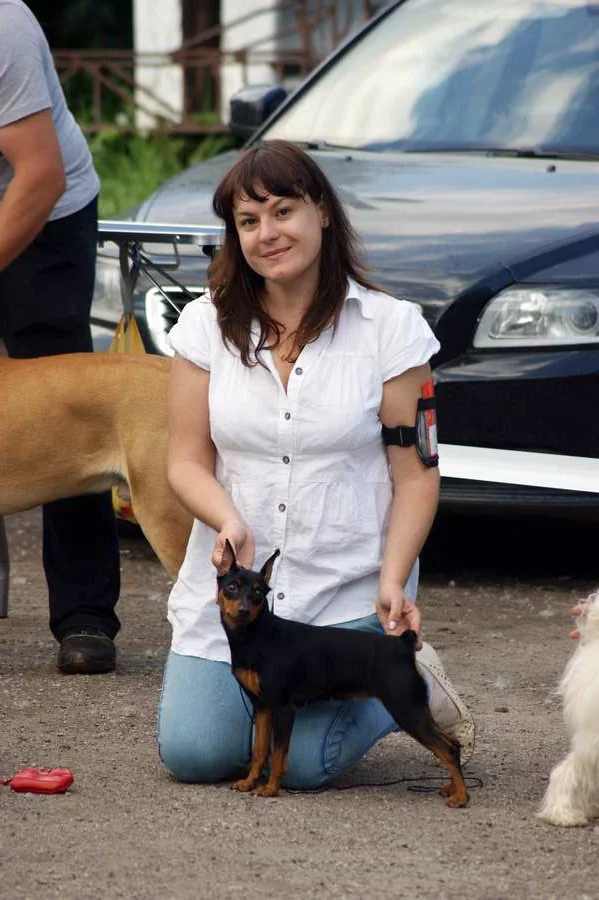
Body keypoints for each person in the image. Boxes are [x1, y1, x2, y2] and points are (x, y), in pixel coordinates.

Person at [157, 139, 475, 788]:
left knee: (302, 767)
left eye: (283, 211)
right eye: (248, 221)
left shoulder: (390, 329)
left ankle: (410, 678)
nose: (267, 234)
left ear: (322, 212)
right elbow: (185, 461)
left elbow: (416, 472)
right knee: (194, 754)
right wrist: (228, 520)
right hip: (246, 594)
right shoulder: (205, 325)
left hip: (345, 592)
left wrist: (394, 580)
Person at [0, 0, 120, 674]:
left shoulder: (4, 26)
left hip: (45, 208)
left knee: (67, 409)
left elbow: (38, 174)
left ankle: (85, 613)